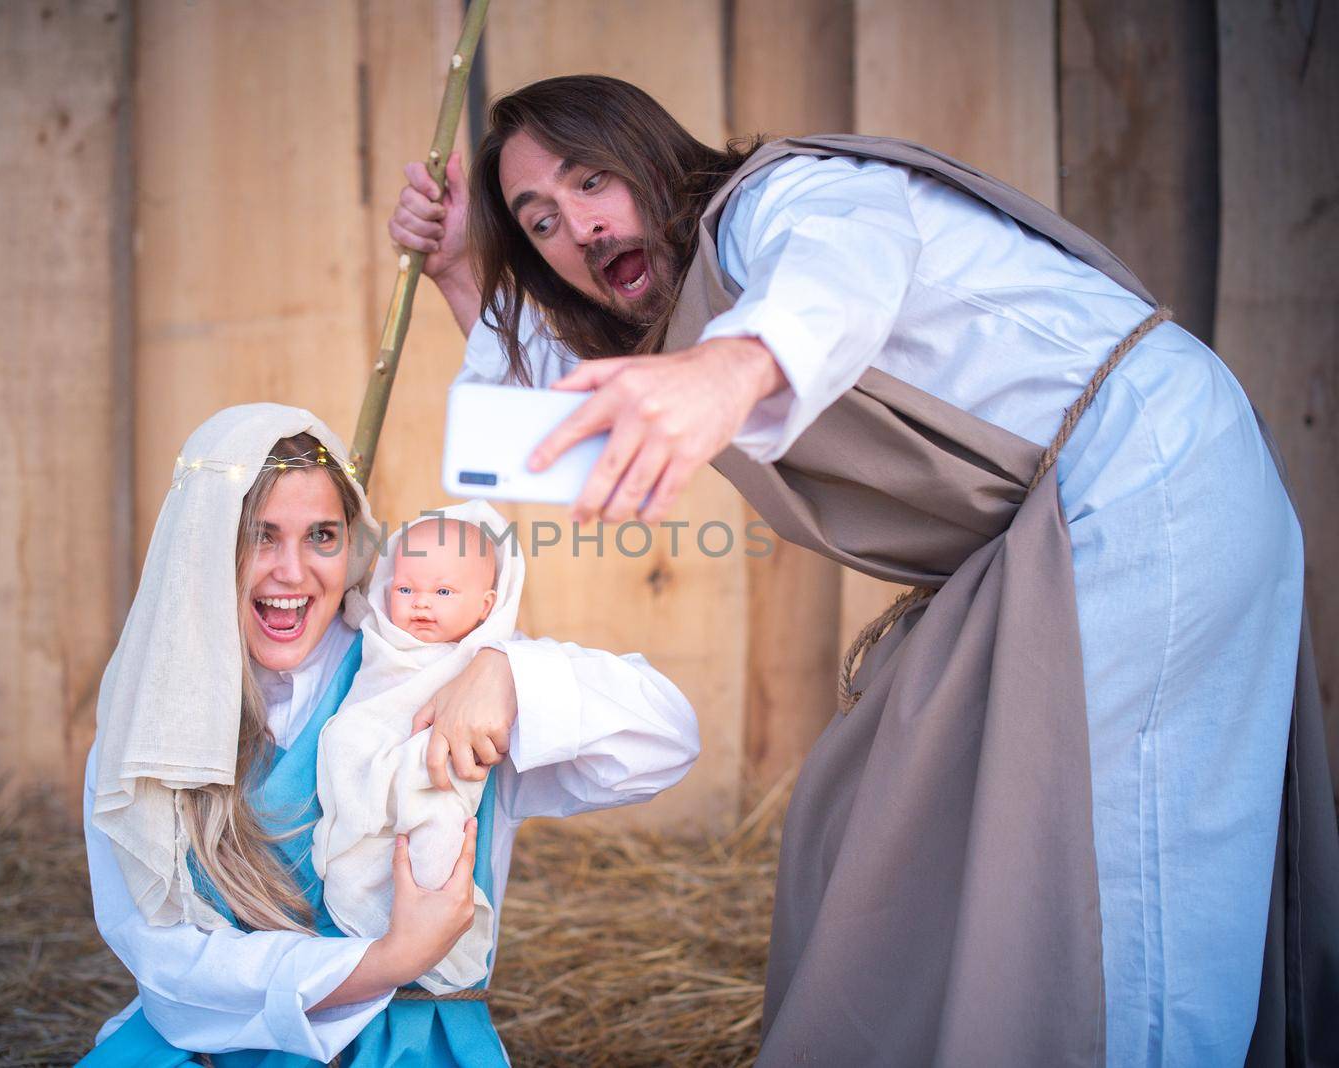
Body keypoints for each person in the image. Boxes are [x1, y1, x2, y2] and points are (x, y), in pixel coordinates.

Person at [390, 74, 1337, 1067]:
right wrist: (462, 268)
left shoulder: (788, 199)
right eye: (538, 221)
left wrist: (734, 368)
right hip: (1048, 532)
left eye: (591, 183)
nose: (576, 228)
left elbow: (842, 266)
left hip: (1146, 474)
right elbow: (550, 424)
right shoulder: (684, 316)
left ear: (652, 156)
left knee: (1126, 877)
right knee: (881, 812)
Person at [80, 403, 700, 1066]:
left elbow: (666, 742)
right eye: (260, 537)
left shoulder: (427, 669)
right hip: (210, 1051)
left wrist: (510, 673)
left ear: (353, 543)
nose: (293, 572)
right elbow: (169, 965)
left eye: (322, 535)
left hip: (407, 1047)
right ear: (205, 549)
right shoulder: (150, 729)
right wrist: (388, 959)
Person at [313, 503, 523, 995]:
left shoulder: (481, 660)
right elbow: (358, 611)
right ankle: (372, 916)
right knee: (345, 740)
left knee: (439, 823)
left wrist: (500, 670)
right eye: (407, 589)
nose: (421, 603)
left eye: (444, 591)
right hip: (366, 758)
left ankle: (428, 913)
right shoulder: (381, 635)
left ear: (486, 606)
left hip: (433, 779)